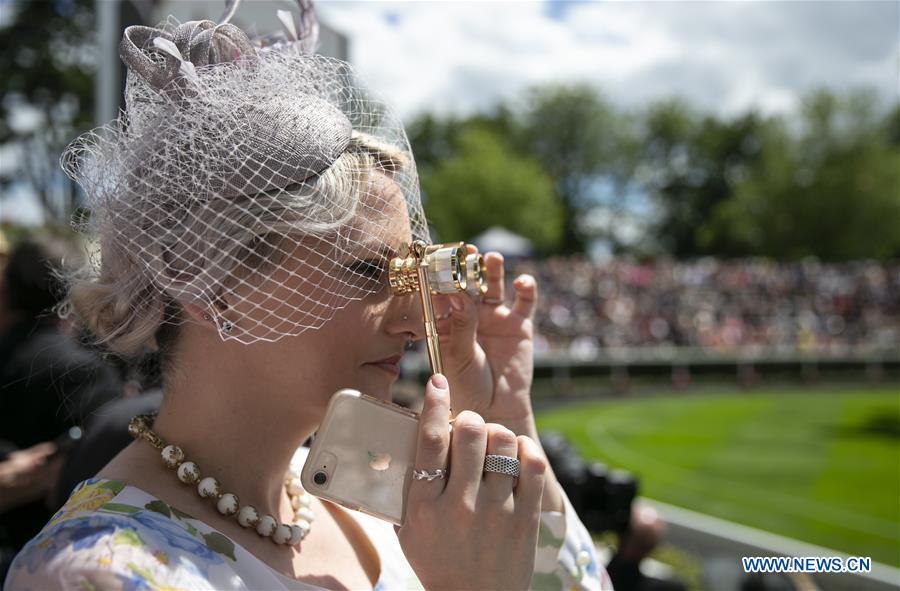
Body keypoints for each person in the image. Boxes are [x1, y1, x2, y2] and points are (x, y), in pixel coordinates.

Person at [5, 2, 612, 589]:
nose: (413, 322)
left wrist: (504, 412)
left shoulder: (371, 494)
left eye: (408, 275)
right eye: (367, 272)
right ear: (205, 279)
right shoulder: (100, 571)